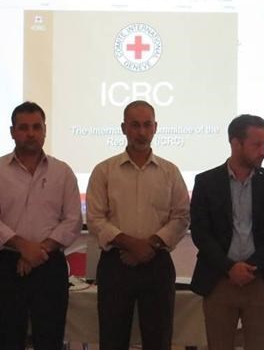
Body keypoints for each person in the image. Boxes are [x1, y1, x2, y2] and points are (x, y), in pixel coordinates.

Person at [86, 100, 190, 350]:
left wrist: (149, 245)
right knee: (112, 339)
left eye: (147, 125)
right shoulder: (104, 171)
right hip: (116, 265)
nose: (141, 132)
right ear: (123, 128)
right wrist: (132, 245)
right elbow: (95, 219)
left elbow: (181, 217)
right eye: (135, 125)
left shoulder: (170, 172)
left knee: (158, 340)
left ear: (156, 127)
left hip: (157, 264)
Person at [0, 101, 82, 350]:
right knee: (7, 339)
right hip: (8, 266)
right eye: (24, 128)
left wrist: (39, 250)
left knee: (50, 339)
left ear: (45, 130)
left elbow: (73, 220)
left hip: (50, 266)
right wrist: (24, 247)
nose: (31, 133)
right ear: (12, 132)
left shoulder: (62, 172)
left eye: (37, 127)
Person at [189, 114, 264, 350]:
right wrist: (229, 267)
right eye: (257, 145)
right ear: (236, 143)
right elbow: (201, 232)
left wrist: (252, 266)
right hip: (219, 280)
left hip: (261, 279)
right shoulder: (206, 181)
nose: (263, 151)